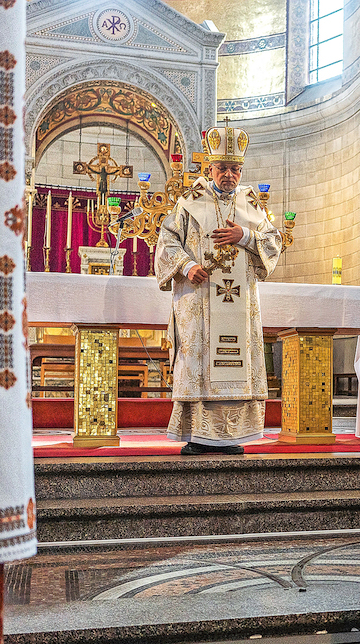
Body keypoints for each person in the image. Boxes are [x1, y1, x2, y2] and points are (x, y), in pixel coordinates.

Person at [155, 125, 283, 454]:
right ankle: (198, 435)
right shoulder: (192, 199)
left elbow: (274, 242)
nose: (229, 174)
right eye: (223, 168)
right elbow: (167, 240)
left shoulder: (251, 202)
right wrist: (187, 266)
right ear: (209, 168)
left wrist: (245, 236)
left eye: (235, 169)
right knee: (199, 362)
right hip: (199, 300)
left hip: (238, 302)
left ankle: (233, 435)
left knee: (235, 361)